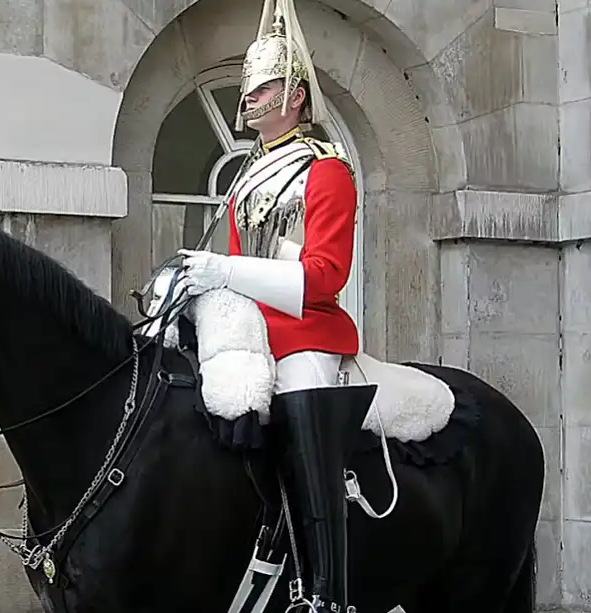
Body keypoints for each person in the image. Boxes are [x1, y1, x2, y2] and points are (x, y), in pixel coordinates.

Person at [176, 0, 371, 610]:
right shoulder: (247, 177)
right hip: (249, 334)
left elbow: (322, 278)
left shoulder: (327, 171)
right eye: (249, 88)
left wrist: (227, 269)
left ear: (293, 96)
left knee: (304, 408)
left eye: (262, 88)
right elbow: (232, 275)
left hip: (308, 334)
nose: (249, 98)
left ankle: (325, 588)